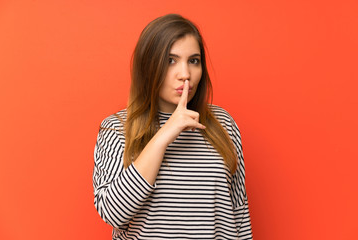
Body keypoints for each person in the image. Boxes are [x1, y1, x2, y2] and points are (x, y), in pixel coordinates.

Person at [93, 14, 253, 239]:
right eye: (171, 60)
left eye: (193, 61)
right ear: (148, 66)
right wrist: (164, 134)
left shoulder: (223, 123)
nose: (185, 74)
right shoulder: (117, 129)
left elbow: (238, 213)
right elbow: (114, 213)